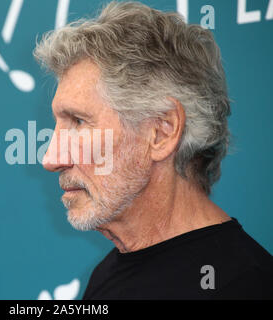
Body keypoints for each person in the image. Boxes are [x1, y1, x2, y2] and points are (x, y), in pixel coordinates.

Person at [33, 1, 273, 299]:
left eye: (79, 122)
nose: (51, 159)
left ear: (162, 132)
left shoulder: (244, 286)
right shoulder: (107, 275)